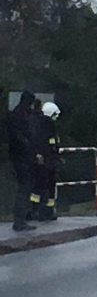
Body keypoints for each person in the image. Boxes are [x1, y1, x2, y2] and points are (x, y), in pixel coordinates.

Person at [7, 91, 37, 232]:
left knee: (24, 187)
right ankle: (20, 221)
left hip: (18, 156)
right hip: (22, 157)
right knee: (24, 187)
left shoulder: (16, 114)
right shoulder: (22, 115)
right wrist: (28, 148)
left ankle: (22, 218)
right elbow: (22, 136)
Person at [30, 102, 61, 221]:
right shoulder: (46, 125)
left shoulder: (41, 124)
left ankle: (38, 210)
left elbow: (52, 143)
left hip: (47, 161)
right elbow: (49, 143)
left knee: (41, 186)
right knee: (44, 185)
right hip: (47, 161)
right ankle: (42, 210)